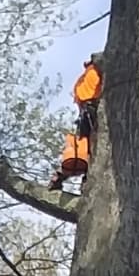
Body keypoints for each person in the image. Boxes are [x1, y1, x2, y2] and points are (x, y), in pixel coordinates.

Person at [49, 52, 104, 190]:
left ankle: (65, 176)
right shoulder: (92, 72)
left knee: (85, 146)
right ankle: (68, 176)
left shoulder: (90, 72)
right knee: (85, 147)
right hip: (90, 109)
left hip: (89, 109)